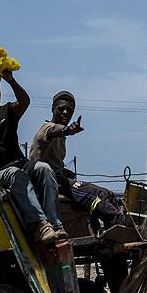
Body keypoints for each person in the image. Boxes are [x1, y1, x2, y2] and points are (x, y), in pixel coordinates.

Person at [29, 92, 127, 229]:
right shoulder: (46, 128)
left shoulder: (61, 137)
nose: (65, 112)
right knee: (95, 196)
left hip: (59, 178)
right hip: (48, 182)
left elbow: (54, 159)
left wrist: (65, 171)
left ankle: (113, 231)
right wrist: (68, 130)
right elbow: (55, 130)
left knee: (108, 194)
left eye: (69, 110)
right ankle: (121, 224)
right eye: (61, 109)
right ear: (53, 108)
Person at [0, 70, 67, 244]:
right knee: (14, 173)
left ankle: (55, 225)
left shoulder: (4, 113)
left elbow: (24, 101)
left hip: (19, 165)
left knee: (43, 167)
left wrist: (11, 81)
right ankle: (40, 226)